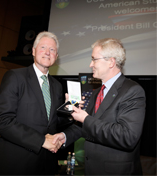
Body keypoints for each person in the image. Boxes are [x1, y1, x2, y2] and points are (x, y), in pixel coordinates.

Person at [53, 38, 146, 175]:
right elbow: (86, 127)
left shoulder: (132, 91)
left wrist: (85, 119)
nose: (91, 64)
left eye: (94, 59)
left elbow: (127, 137)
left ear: (111, 62)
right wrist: (64, 136)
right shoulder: (97, 92)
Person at [0, 31, 69, 175]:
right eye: (43, 47)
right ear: (34, 50)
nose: (48, 53)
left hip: (46, 165)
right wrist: (41, 140)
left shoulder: (57, 86)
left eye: (52, 50)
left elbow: (53, 123)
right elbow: (1, 120)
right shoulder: (15, 77)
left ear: (56, 56)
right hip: (15, 165)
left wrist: (68, 111)